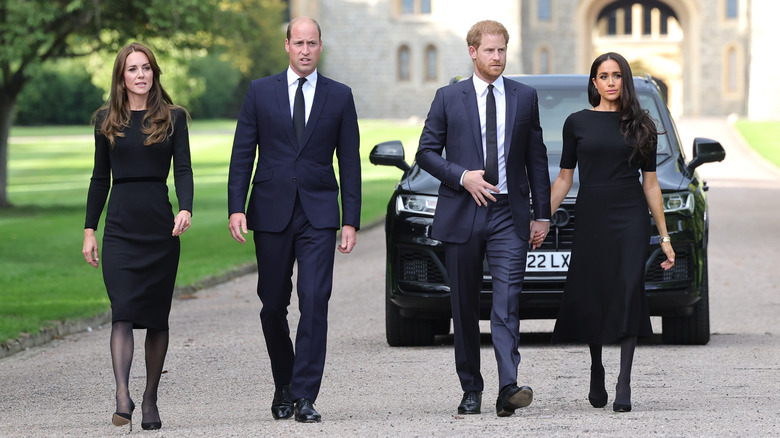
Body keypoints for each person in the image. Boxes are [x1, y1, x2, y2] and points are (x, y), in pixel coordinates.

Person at [227, 16, 361, 423]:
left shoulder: (339, 96)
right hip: (270, 211)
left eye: (312, 43)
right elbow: (242, 154)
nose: (305, 50)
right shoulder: (260, 92)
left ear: (321, 47)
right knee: (272, 305)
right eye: (298, 42)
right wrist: (236, 207)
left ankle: (304, 395)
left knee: (315, 300)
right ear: (287, 45)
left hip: (319, 213)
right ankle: (283, 382)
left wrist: (350, 219)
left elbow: (350, 162)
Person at [416, 20, 551, 417]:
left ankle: (508, 386)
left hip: (510, 213)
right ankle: (471, 388)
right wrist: (461, 176)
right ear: (473, 52)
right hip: (464, 211)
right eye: (490, 50)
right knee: (464, 305)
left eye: (503, 50)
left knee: (507, 302)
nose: (498, 57)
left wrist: (541, 214)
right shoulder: (447, 97)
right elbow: (425, 152)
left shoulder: (524, 97)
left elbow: (536, 159)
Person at [548, 52, 675, 413]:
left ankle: (624, 381)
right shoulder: (576, 123)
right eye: (603, 76)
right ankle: (597, 367)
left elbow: (651, 185)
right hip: (591, 215)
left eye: (616, 75)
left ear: (625, 81)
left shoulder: (642, 125)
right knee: (595, 290)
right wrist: (540, 217)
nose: (610, 82)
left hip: (630, 217)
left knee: (628, 289)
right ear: (594, 83)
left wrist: (664, 238)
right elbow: (564, 178)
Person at [82, 42, 193, 431]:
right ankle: (122, 396)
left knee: (157, 318)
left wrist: (185, 207)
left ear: (154, 73)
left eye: (146, 67)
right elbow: (99, 179)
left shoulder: (174, 118)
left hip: (159, 230)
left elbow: (184, 170)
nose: (140, 74)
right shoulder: (105, 120)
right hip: (120, 231)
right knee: (123, 312)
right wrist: (89, 230)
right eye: (132, 69)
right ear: (121, 76)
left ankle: (150, 400)